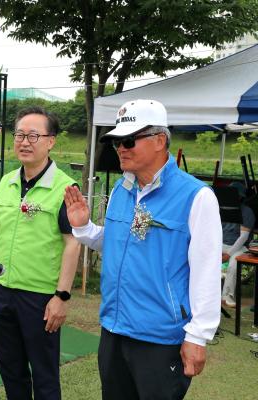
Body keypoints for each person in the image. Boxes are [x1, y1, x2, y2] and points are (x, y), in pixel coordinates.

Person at [64, 99, 221, 400]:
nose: (121, 148)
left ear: (160, 140)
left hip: (160, 339)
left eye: (130, 140)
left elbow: (206, 270)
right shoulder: (123, 190)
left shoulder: (196, 197)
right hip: (114, 329)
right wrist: (84, 229)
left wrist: (198, 335)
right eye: (117, 142)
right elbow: (118, 244)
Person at [0, 106, 81, 400]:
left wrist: (61, 297)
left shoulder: (65, 187)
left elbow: (73, 242)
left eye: (33, 136)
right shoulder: (7, 181)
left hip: (39, 297)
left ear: (51, 141)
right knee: (11, 373)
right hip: (1, 292)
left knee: (44, 377)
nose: (24, 142)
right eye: (19, 135)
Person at [221, 182, 255, 307]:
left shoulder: (247, 211)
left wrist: (228, 254)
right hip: (221, 243)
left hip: (239, 247)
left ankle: (227, 296)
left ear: (240, 197)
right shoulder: (221, 208)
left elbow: (243, 237)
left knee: (234, 263)